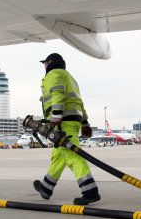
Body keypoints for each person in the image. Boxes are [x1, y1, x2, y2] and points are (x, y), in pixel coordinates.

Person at [33, 53, 100, 205]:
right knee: (59, 155)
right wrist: (85, 123)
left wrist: (55, 117)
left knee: (72, 155)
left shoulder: (53, 74)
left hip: (62, 122)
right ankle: (46, 187)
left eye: (45, 63)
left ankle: (90, 191)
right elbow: (79, 103)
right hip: (74, 121)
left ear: (50, 62)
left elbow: (58, 94)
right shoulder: (71, 78)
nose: (44, 66)